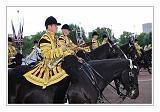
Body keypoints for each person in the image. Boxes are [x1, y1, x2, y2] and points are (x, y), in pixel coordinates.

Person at [23, 16, 68, 89]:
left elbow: (64, 51)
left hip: (58, 62)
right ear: (49, 26)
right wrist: (61, 49)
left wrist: (73, 56)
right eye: (55, 25)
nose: (57, 27)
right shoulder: (45, 38)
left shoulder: (55, 38)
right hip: (49, 65)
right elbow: (46, 54)